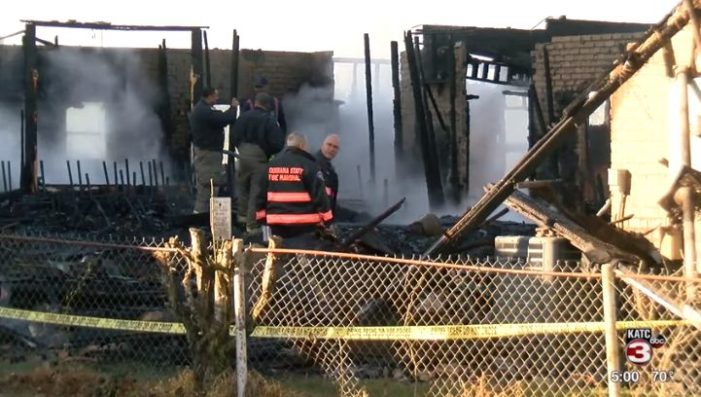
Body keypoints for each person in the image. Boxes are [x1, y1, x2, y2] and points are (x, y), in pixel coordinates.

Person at [254, 132, 332, 246]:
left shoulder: (270, 166)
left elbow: (259, 195)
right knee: (302, 258)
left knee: (278, 256)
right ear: (301, 145)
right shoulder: (310, 165)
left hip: (276, 224)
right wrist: (327, 220)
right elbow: (320, 195)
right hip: (304, 226)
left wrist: (262, 219)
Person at [232, 92, 285, 233]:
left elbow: (233, 136)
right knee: (257, 191)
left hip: (241, 156)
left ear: (255, 103)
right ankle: (252, 227)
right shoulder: (269, 120)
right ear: (268, 105)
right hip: (259, 158)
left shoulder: (243, 117)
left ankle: (241, 220)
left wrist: (241, 149)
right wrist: (268, 152)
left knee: (243, 187)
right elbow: (278, 143)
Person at [189, 87, 238, 213]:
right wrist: (233, 107)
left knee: (211, 185)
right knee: (208, 185)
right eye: (215, 96)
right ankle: (200, 218)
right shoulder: (204, 111)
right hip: (208, 154)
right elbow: (224, 119)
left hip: (209, 152)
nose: (217, 99)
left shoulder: (203, 109)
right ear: (209, 96)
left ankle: (206, 216)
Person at [315, 134, 340, 222]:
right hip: (319, 216)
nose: (332, 149)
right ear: (322, 145)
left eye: (335, 147)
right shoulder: (313, 164)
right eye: (329, 145)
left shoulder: (329, 168)